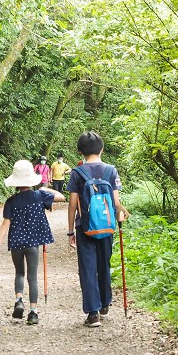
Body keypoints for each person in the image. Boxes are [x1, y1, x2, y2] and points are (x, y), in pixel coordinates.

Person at [0, 160, 65, 325]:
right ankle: (33, 312)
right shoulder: (40, 195)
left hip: (16, 243)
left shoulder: (11, 201)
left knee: (19, 273)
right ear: (32, 179)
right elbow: (62, 197)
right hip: (32, 244)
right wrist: (46, 188)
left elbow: (5, 224)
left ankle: (18, 300)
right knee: (32, 277)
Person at [67, 131, 125, 327]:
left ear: (80, 151)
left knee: (88, 268)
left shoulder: (77, 173)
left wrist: (70, 231)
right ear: (102, 149)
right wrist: (119, 218)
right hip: (106, 226)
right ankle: (105, 305)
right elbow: (116, 202)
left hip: (85, 227)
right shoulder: (111, 170)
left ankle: (93, 314)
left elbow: (73, 204)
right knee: (104, 265)